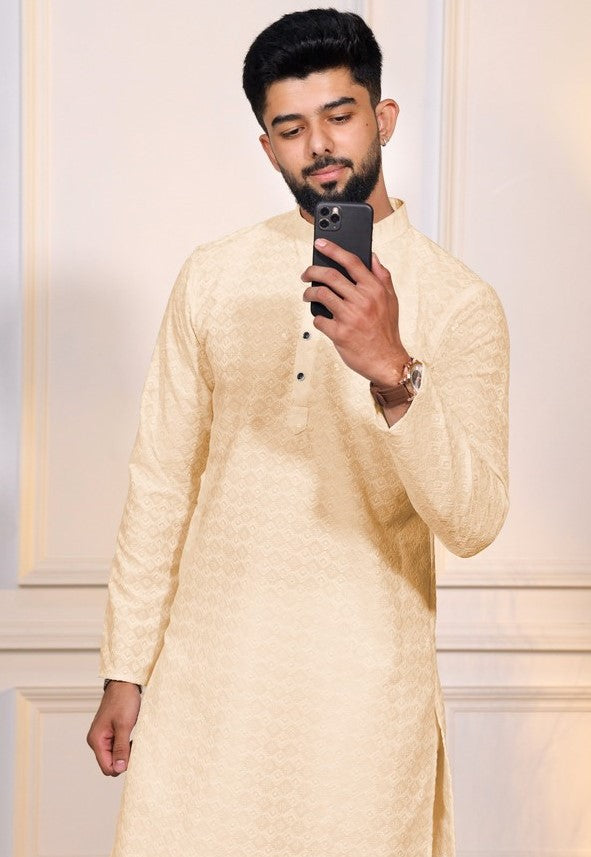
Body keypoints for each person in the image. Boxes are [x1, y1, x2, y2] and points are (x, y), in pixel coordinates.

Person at [87, 8, 509, 857]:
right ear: (267, 147)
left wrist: (393, 371)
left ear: (382, 118)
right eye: (290, 128)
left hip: (360, 697)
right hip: (208, 681)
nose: (318, 145)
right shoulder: (214, 276)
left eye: (339, 115)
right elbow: (161, 481)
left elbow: (473, 521)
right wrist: (125, 667)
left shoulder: (459, 302)